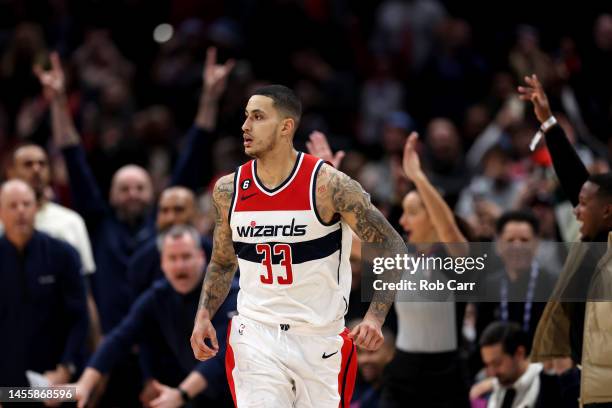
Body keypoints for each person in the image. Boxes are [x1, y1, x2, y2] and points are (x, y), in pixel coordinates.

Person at [191, 85, 405, 407]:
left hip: (320, 339)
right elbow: (223, 262)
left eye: (258, 117)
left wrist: (375, 317)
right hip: (256, 334)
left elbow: (392, 247)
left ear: (286, 127)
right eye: (246, 117)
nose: (245, 126)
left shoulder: (328, 185)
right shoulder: (229, 189)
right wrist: (204, 314)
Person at [519, 74, 612, 406]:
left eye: (584, 205)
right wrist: (548, 123)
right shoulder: (594, 242)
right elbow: (576, 180)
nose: (576, 211)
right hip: (589, 379)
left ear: (608, 211)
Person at [71, 225, 237, 408]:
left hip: (242, 392)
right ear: (162, 263)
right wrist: (85, 384)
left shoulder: (229, 293)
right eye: (172, 258)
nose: (180, 265)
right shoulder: (159, 295)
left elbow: (222, 355)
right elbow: (120, 338)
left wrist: (181, 394)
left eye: (186, 257)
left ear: (201, 257)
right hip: (199, 395)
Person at [378, 132, 471, 408]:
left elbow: (449, 230)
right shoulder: (399, 255)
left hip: (446, 376)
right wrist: (329, 187)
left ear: (432, 215)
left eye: (411, 213)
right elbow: (351, 243)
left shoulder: (455, 258)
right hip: (402, 372)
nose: (403, 220)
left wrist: (419, 178)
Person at [0, 179, 88, 387]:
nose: (20, 211)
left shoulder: (63, 254)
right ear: (1, 212)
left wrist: (66, 368)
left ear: (36, 208)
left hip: (57, 378)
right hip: (6, 385)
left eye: (26, 204)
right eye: (13, 205)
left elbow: (79, 317)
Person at [477, 210, 557, 347]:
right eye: (510, 240)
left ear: (536, 243)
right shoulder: (489, 285)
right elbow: (481, 338)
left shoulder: (554, 284)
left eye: (524, 240)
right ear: (499, 244)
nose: (517, 246)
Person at [127, 186, 212, 299]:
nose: (170, 218)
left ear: (196, 214)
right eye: (164, 210)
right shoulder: (141, 259)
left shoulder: (217, 253)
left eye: (178, 210)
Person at [472, 321, 562, 408]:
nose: (491, 373)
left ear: (519, 353)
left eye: (497, 363)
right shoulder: (499, 384)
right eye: (487, 365)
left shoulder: (546, 384)